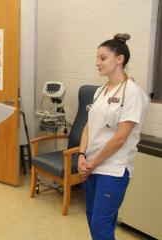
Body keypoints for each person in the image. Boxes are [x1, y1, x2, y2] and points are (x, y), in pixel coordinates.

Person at [78, 33, 148, 240]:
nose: (97, 62)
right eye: (97, 58)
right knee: (93, 220)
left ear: (120, 59)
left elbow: (120, 138)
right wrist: (82, 155)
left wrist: (93, 163)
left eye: (102, 58)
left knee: (101, 225)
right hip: (91, 165)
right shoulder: (100, 91)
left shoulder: (133, 93)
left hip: (113, 169)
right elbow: (89, 125)